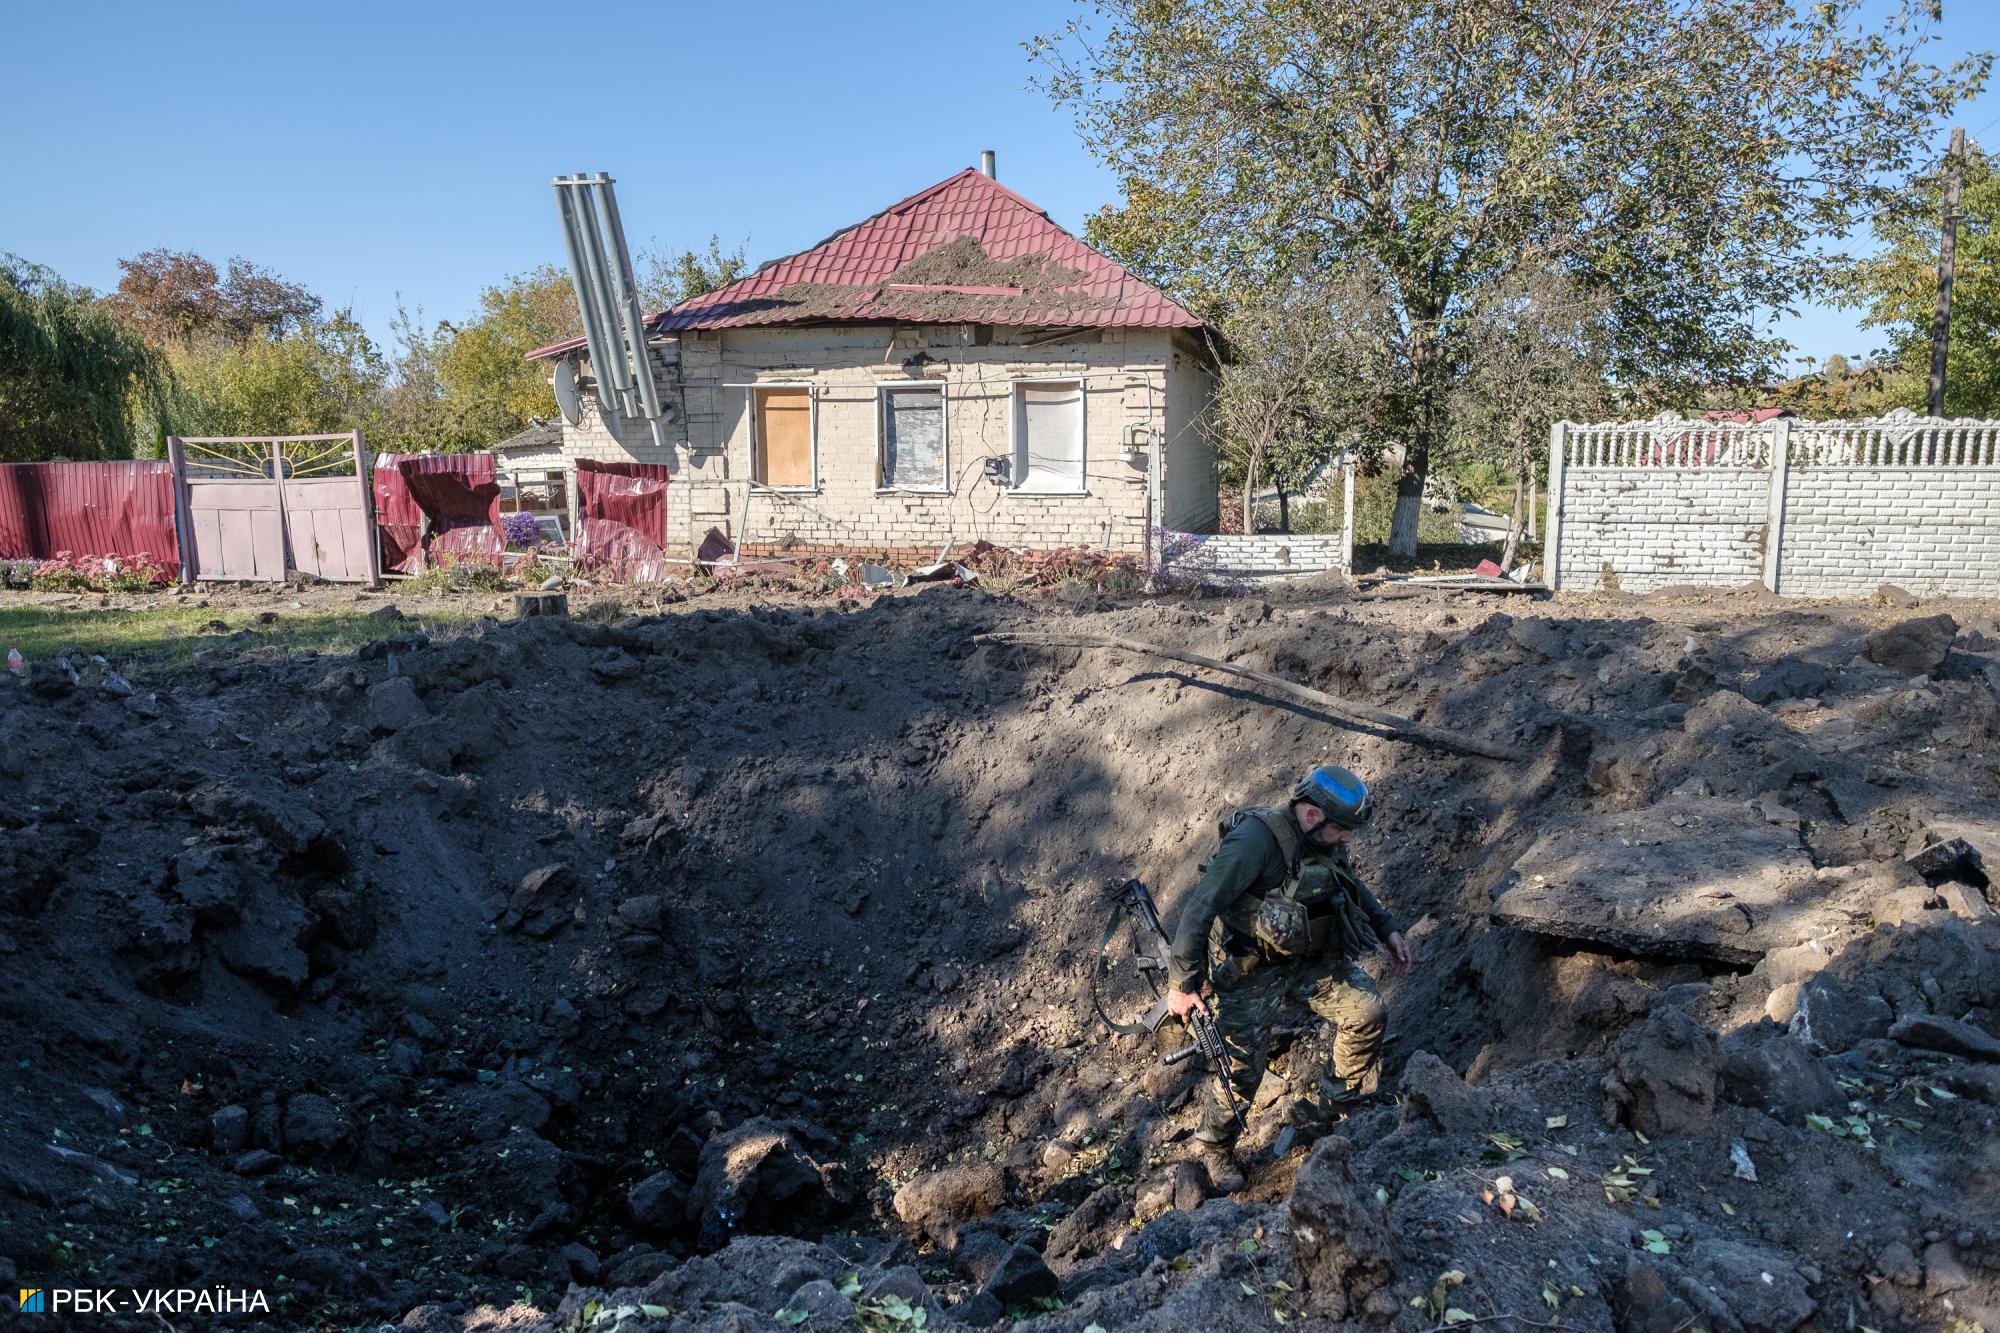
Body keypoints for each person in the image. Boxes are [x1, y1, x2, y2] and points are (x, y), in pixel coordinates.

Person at [1165, 765, 1413, 1190]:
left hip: (1309, 960)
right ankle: (1215, 1150)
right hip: (1250, 968)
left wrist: (1387, 926)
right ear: (1313, 815)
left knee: (1367, 1012)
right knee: (1241, 1065)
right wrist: (1183, 985)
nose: (1348, 840)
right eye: (1342, 830)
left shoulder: (1325, 839)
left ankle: (1336, 1104)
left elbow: (1350, 883)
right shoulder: (1255, 842)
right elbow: (1201, 906)